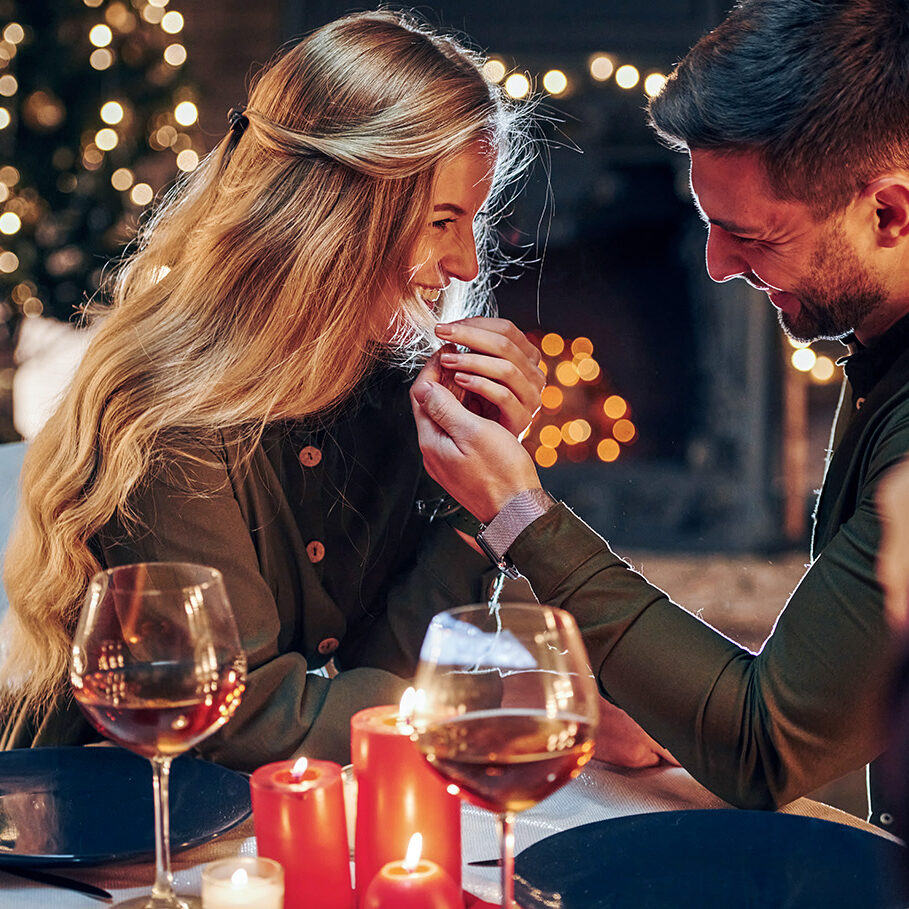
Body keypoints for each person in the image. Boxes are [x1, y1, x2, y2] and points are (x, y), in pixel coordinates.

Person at [0, 10, 545, 770]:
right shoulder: (167, 415)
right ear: (329, 217)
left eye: (471, 221)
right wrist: (500, 701)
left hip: (261, 822)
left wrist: (477, 493)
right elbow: (240, 720)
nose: (461, 263)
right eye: (439, 220)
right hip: (106, 837)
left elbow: (382, 661)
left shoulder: (386, 387)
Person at [411, 0, 909, 821]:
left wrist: (520, 512)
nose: (715, 264)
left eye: (749, 234)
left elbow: (765, 747)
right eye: (708, 226)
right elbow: (816, 704)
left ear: (888, 213)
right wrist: (684, 706)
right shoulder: (882, 347)